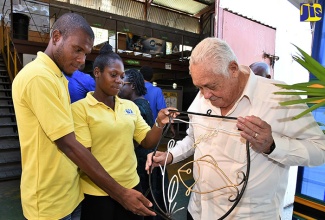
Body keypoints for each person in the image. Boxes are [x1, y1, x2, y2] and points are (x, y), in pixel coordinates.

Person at [146, 37, 325, 219]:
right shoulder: (203, 96)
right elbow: (194, 138)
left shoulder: (279, 98)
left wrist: (273, 146)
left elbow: (320, 149)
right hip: (198, 211)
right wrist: (171, 155)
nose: (206, 95)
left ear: (233, 69)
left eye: (211, 86)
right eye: (199, 87)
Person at [12, 13, 156, 220]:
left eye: (85, 53)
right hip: (49, 202)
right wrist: (120, 193)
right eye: (77, 49)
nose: (81, 60)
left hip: (70, 194)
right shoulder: (39, 77)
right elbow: (69, 144)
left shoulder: (58, 78)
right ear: (56, 37)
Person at [71, 45, 177, 220]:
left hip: (132, 186)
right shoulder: (80, 109)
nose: (119, 81)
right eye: (113, 75)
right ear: (97, 72)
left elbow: (146, 142)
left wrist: (159, 123)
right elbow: (86, 161)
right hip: (98, 193)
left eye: (121, 77)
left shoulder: (129, 107)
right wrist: (119, 193)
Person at [118, 68, 168, 220]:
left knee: (144, 201)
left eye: (122, 83)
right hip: (149, 160)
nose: (119, 86)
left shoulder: (136, 108)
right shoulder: (143, 102)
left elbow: (134, 141)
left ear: (132, 86)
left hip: (141, 164)